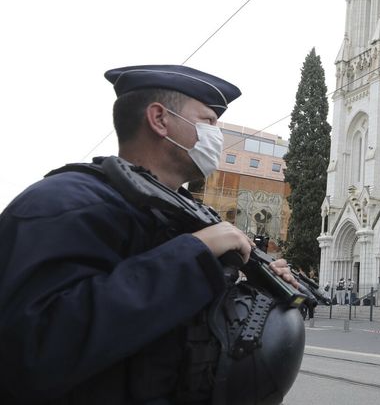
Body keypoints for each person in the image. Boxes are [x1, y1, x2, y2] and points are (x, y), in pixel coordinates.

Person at [0, 64, 301, 404]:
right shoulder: (64, 203)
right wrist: (194, 254)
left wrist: (260, 290)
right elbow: (32, 351)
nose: (216, 137)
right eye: (208, 122)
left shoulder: (192, 217)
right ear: (159, 119)